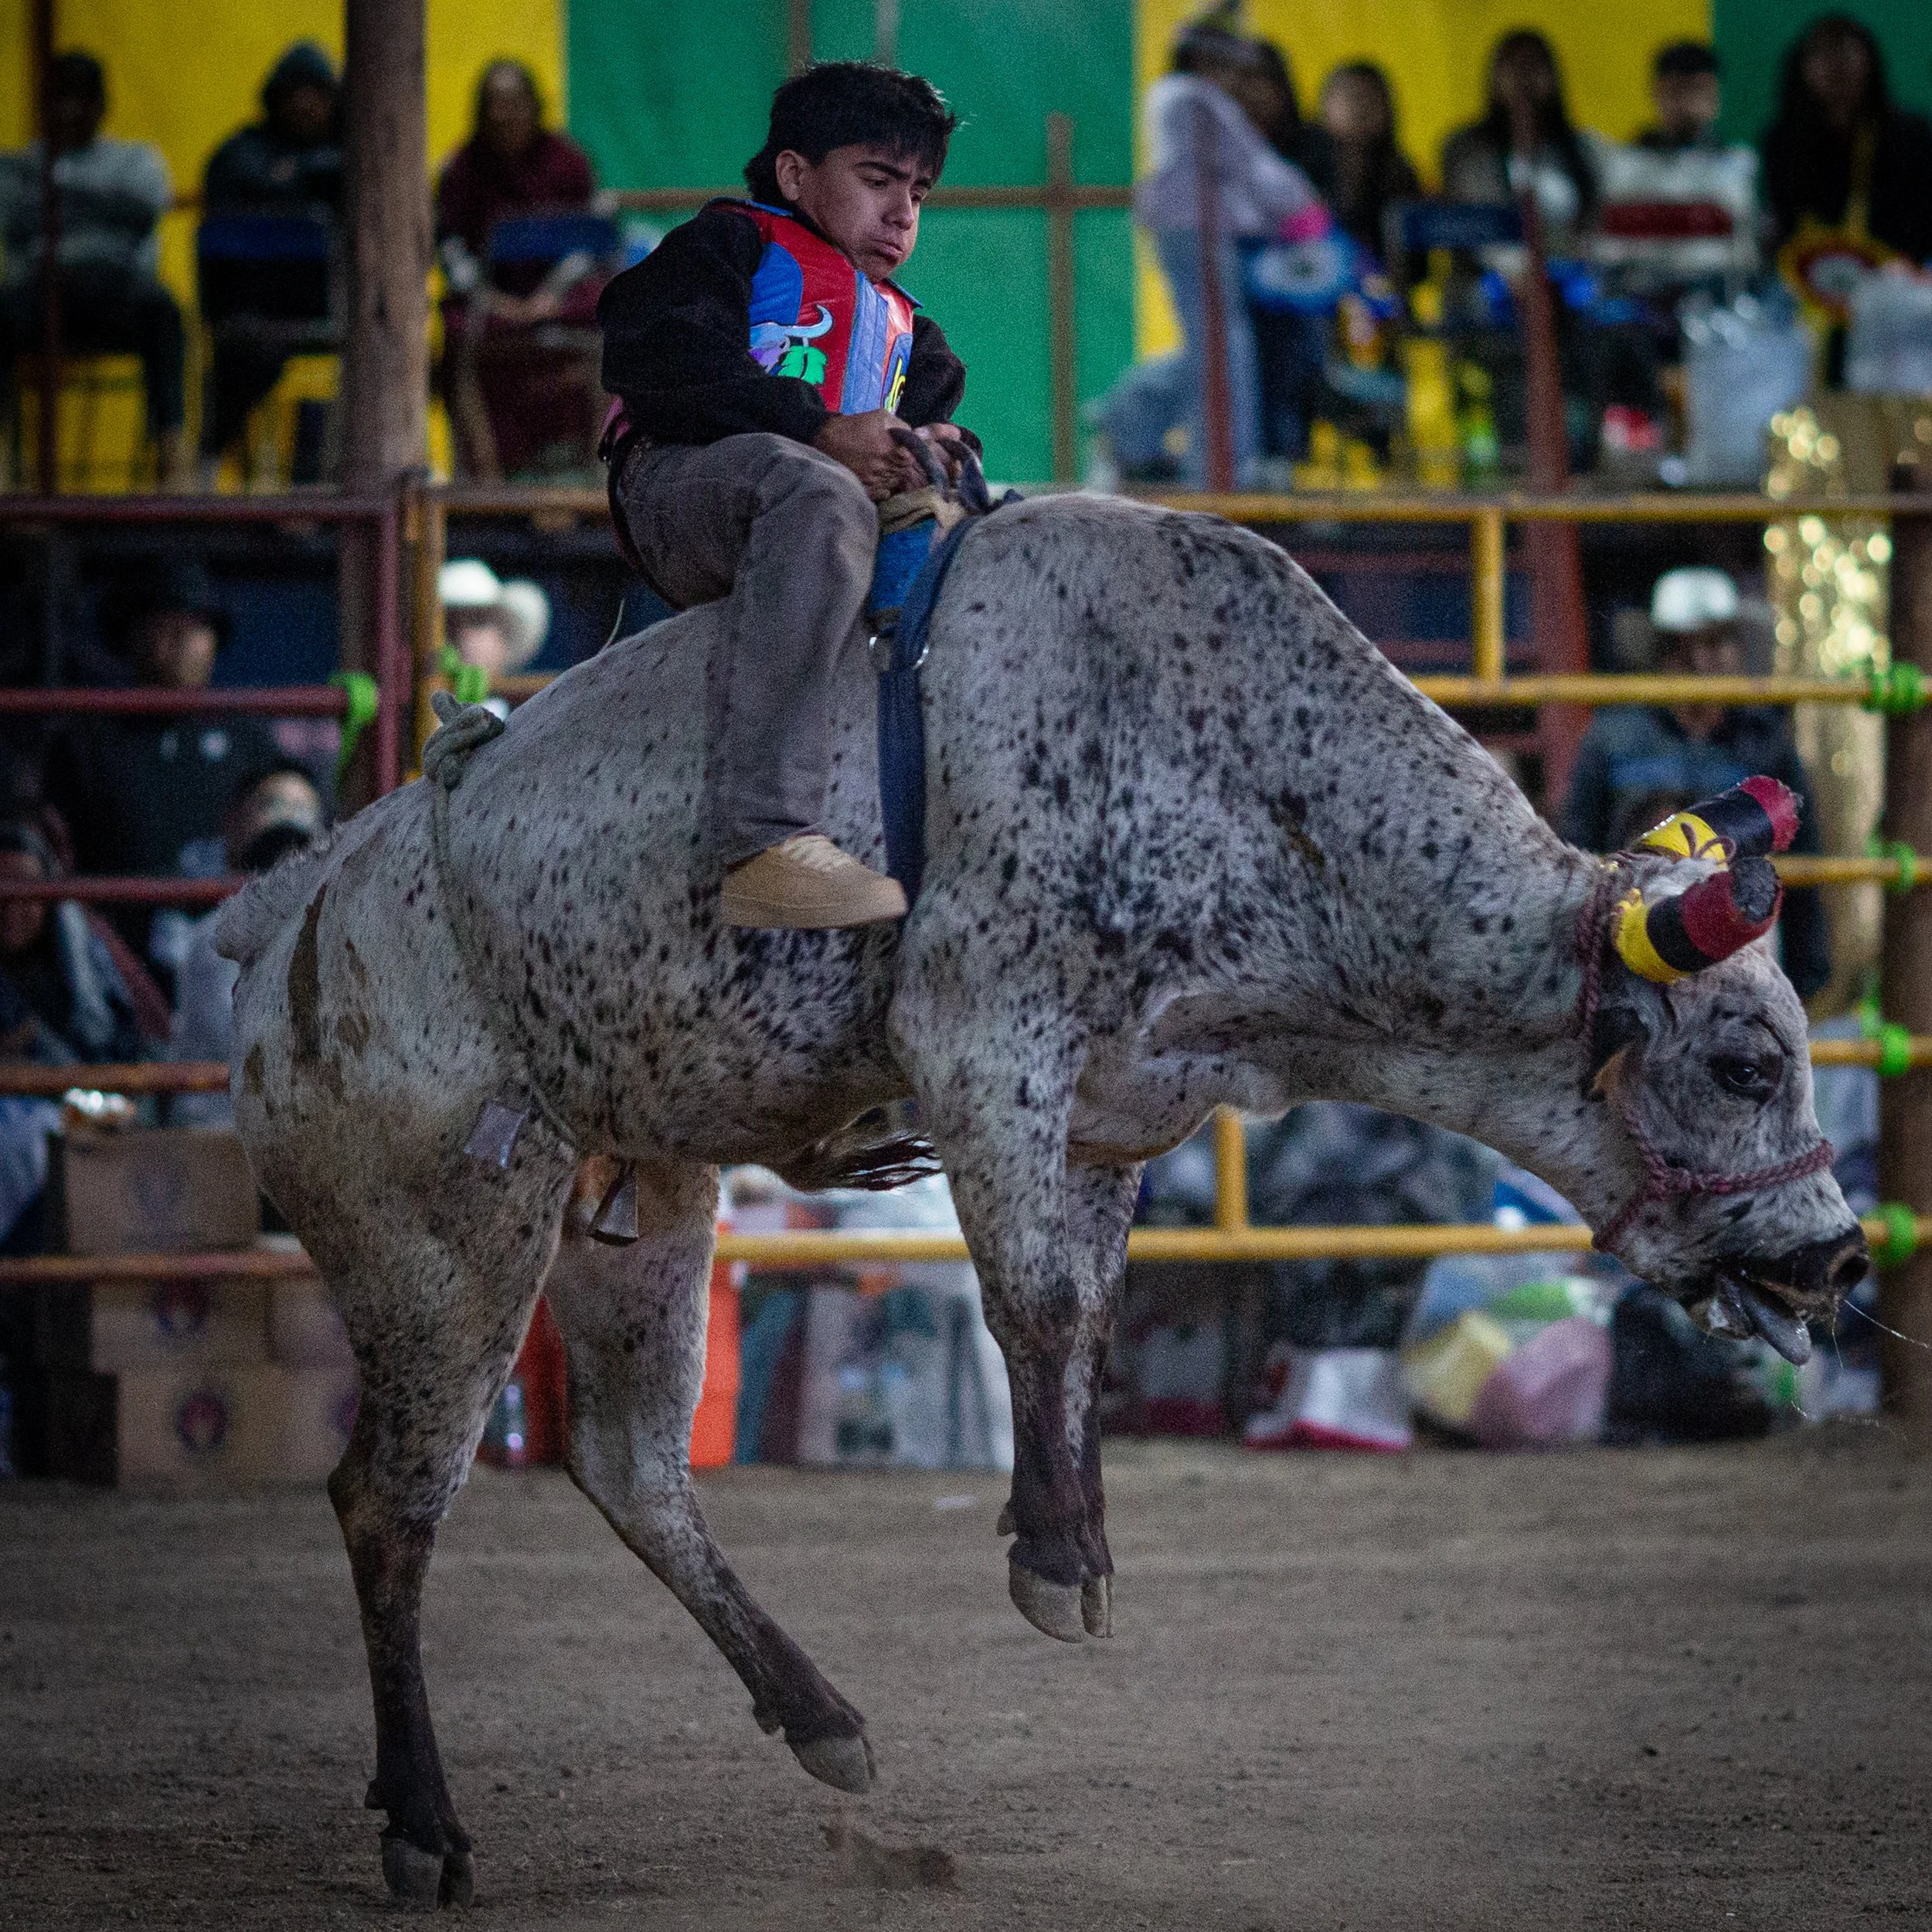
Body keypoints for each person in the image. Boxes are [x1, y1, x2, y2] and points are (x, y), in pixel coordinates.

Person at [599, 60, 975, 929]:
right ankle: (762, 843)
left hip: (812, 518)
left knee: (978, 519)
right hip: (684, 490)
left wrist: (940, 450)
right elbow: (653, 360)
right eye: (877, 181)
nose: (902, 212)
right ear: (795, 173)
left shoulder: (913, 333)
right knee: (818, 494)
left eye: (917, 192)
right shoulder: (727, 246)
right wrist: (814, 429)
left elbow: (930, 425)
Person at [1558, 567, 1831, 999]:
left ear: (1737, 651)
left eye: (1719, 642)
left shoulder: (1767, 747)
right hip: (1633, 939)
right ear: (1662, 657)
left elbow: (1802, 868)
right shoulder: (1612, 739)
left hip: (1743, 941)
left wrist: (1805, 975)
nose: (1705, 662)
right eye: (1683, 649)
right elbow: (1578, 843)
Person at [1097, 16, 1325, 488]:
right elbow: (1246, 162)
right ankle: (1220, 466)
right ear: (1206, 60)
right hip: (1195, 234)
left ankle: (1131, 420)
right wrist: (1299, 204)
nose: (1239, 78)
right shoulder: (1192, 98)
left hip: (1202, 232)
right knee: (1225, 350)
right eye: (1231, 64)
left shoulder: (1181, 97)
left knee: (1216, 348)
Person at [41, 555, 284, 968]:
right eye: (163, 621)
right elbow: (55, 864)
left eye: (197, 625)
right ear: (133, 633)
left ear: (214, 639)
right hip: (114, 964)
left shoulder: (249, 741)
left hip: (234, 963)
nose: (182, 639)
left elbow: (288, 851)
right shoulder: (87, 740)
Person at [0, 52, 186, 485]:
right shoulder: (16, 166)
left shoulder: (138, 160)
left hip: (116, 293)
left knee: (165, 311)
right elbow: (17, 221)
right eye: (58, 99)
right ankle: (7, 462)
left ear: (103, 106)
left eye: (81, 99)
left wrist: (56, 204)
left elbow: (143, 214)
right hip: (41, 296)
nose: (69, 111)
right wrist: (105, 208)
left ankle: (173, 459)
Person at [437, 61, 610, 480]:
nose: (504, 114)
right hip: (491, 305)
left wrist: (550, 298)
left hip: (561, 300)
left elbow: (592, 242)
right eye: (494, 104)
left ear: (534, 105)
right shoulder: (459, 171)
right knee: (456, 330)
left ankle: (592, 470)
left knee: (610, 314)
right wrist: (497, 302)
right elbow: (450, 249)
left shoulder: (570, 163)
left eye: (514, 103)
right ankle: (485, 479)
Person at [198, 42, 344, 474]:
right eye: (293, 94)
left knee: (363, 350)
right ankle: (210, 462)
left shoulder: (354, 155)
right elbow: (229, 188)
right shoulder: (241, 152)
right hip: (252, 311)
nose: (304, 105)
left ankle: (313, 477)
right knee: (242, 353)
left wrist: (290, 179)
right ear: (273, 98)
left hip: (323, 309)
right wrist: (306, 181)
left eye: (315, 94)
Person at [168, 759, 327, 1127]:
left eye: (299, 855)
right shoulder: (216, 937)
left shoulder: (332, 927)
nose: (286, 870)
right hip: (221, 1123)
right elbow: (251, 1041)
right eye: (274, 857)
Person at [1761, 14, 1932, 267]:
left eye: (1846, 56)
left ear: (1869, 64)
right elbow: (1785, 224)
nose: (1836, 67)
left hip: (1897, 269)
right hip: (1807, 278)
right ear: (1804, 69)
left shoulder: (1909, 134)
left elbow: (1922, 219)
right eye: (1823, 57)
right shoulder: (1783, 141)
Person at [1440, 30, 1602, 254]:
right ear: (1495, 77)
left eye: (1535, 65)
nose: (1524, 76)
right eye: (1514, 66)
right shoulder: (1465, 148)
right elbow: (1473, 221)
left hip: (1571, 269)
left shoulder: (1582, 150)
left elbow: (1595, 220)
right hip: (1490, 277)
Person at [1301, 63, 1421, 261]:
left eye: (1371, 98)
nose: (1361, 108)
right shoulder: (1302, 162)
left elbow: (1415, 262)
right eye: (1351, 97)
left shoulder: (1399, 172)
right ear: (1325, 103)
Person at [438, 557, 551, 716]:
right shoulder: (408, 716)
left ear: (505, 635)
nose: (464, 635)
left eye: (478, 621)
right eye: (449, 624)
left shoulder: (535, 715)